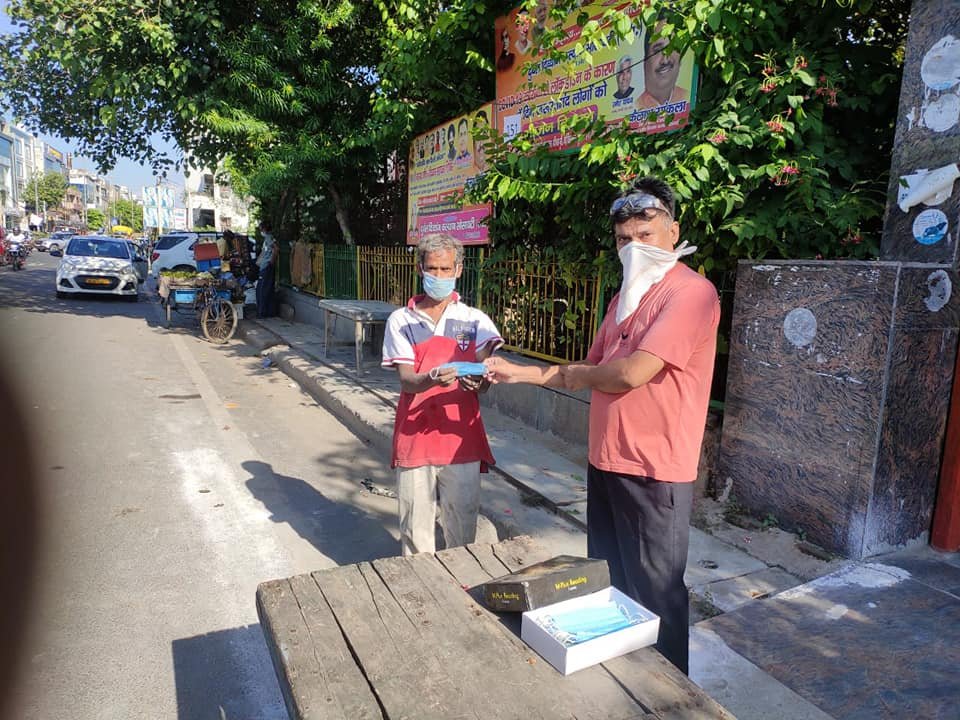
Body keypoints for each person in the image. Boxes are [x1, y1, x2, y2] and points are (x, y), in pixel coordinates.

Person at [484, 177, 719, 675]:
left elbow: (629, 373)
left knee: (658, 593)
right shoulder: (623, 298)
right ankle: (627, 685)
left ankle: (672, 697)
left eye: (646, 236)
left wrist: (568, 374)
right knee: (613, 585)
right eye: (623, 240)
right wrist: (519, 371)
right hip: (605, 459)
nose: (634, 248)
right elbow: (587, 366)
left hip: (654, 469)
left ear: (673, 233)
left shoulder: (692, 293)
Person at [381, 233, 503, 556]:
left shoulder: (475, 320)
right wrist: (433, 377)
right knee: (415, 532)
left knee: (463, 531)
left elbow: (489, 372)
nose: (439, 276)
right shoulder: (400, 320)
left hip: (461, 439)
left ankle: (459, 595)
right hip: (415, 436)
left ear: (459, 270)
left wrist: (482, 380)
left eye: (446, 269)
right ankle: (421, 599)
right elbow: (407, 380)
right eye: (432, 269)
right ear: (419, 268)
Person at [637, 22, 689, 109]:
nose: (665, 60)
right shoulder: (635, 108)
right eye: (657, 51)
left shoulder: (687, 97)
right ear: (645, 62)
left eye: (672, 48)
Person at [255, 220, 278, 318]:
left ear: (264, 229)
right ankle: (267, 312)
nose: (260, 231)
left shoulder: (269, 238)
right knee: (265, 289)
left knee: (263, 290)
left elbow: (276, 249)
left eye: (261, 229)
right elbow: (265, 252)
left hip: (266, 267)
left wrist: (271, 262)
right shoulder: (267, 239)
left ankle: (263, 312)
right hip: (264, 266)